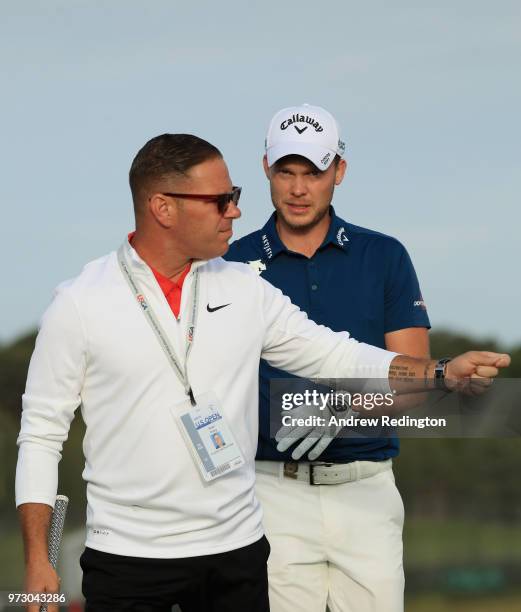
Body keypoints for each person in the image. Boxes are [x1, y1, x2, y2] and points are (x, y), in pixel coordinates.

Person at [16, 133, 509, 612]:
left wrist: (438, 372)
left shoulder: (246, 287)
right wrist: (39, 560)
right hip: (126, 556)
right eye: (221, 200)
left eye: (235, 196)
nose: (235, 211)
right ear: (164, 208)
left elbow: (337, 356)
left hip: (238, 552)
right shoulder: (80, 302)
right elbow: (40, 434)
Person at [224, 103, 431, 611]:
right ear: (266, 169)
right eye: (285, 172)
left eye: (313, 173)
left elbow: (414, 384)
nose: (298, 189)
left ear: (338, 171)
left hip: (366, 487)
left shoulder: (384, 256)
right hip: (270, 489)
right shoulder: (226, 264)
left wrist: (339, 410)